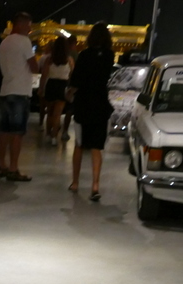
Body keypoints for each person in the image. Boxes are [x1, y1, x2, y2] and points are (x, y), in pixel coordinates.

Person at [68, 21, 115, 201]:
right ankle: (95, 186)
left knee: (79, 144)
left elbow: (76, 80)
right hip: (100, 104)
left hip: (83, 104)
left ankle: (75, 182)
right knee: (96, 147)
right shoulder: (109, 56)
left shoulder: (84, 55)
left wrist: (70, 93)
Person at [0, 11, 39, 182]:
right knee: (17, 133)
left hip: (5, 90)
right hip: (20, 92)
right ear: (20, 24)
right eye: (28, 25)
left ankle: (2, 166)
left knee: (4, 131)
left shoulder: (4, 42)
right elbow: (34, 67)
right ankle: (13, 169)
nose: (29, 29)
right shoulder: (24, 41)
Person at [39, 36, 74, 145]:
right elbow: (72, 75)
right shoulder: (69, 60)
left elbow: (44, 75)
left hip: (51, 85)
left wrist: (41, 88)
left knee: (49, 112)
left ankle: (48, 134)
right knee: (57, 114)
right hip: (62, 86)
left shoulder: (49, 60)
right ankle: (54, 137)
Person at [60, 34, 80, 141]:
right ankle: (66, 131)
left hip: (61, 83)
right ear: (75, 43)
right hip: (72, 85)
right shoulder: (75, 55)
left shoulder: (63, 53)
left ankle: (57, 128)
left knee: (60, 108)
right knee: (70, 109)